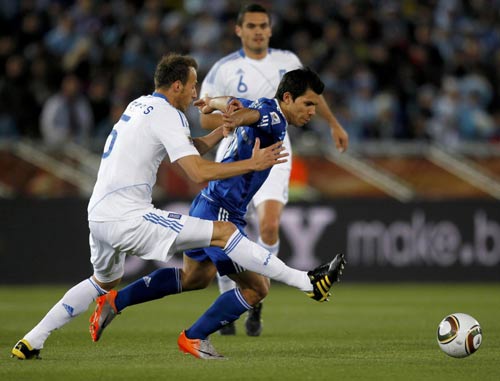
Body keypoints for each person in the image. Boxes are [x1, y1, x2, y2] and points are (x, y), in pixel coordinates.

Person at [10, 54, 339, 361]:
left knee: (110, 281)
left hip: (98, 213)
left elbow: (192, 145)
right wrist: (250, 163)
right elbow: (197, 171)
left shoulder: (141, 105)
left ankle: (32, 340)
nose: (197, 91)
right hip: (131, 216)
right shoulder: (170, 114)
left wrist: (218, 132)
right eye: (194, 84)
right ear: (178, 86)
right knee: (231, 245)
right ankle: (306, 283)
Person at [199, 3, 349, 336]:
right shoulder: (224, 68)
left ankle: (257, 295)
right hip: (236, 149)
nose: (258, 31)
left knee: (268, 226)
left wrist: (334, 124)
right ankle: (231, 298)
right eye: (251, 25)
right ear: (239, 30)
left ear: (270, 29)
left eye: (263, 25)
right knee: (227, 230)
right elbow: (205, 112)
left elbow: (313, 96)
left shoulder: (288, 62)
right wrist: (227, 122)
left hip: (276, 150)